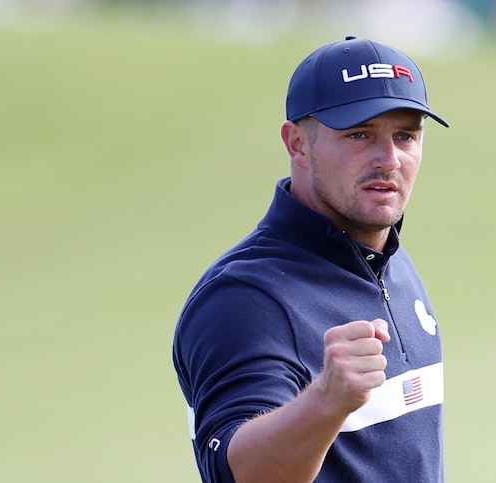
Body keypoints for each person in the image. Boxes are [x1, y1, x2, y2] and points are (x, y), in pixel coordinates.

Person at [172, 36, 450, 483]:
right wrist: (326, 400)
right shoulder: (245, 297)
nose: (389, 160)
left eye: (406, 136)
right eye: (359, 134)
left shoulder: (385, 257)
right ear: (297, 144)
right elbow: (238, 474)